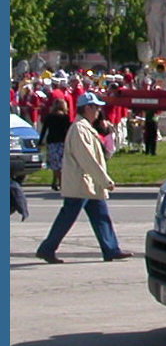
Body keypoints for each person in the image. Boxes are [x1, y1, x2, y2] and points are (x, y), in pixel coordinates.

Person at [35, 92, 132, 264]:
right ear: (87, 108)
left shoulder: (84, 126)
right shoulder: (80, 129)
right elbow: (87, 158)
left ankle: (111, 249)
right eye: (96, 107)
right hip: (82, 182)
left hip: (88, 183)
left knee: (101, 215)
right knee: (68, 216)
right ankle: (47, 248)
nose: (98, 111)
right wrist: (105, 180)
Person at [39, 98, 72, 191]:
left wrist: (40, 141)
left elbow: (44, 130)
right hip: (62, 142)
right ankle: (61, 182)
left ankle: (55, 180)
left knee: (54, 164)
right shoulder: (65, 117)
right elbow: (69, 130)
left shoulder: (49, 117)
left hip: (52, 142)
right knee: (61, 164)